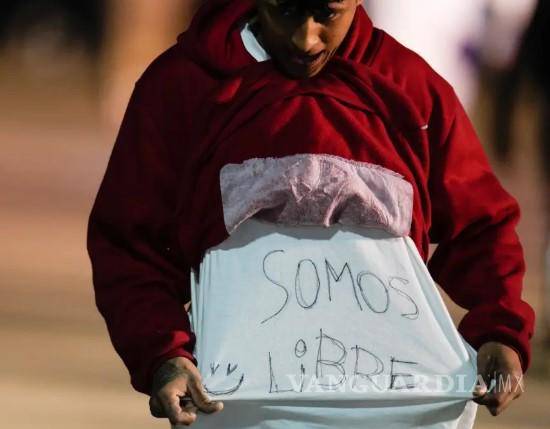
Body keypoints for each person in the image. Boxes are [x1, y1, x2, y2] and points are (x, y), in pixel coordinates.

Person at [86, 0, 536, 427]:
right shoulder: (182, 88)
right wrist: (163, 354)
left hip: (385, 406)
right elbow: (130, 242)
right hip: (242, 409)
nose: (306, 39)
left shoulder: (412, 91)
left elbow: (481, 227)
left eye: (327, 13)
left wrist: (500, 330)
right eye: (285, 10)